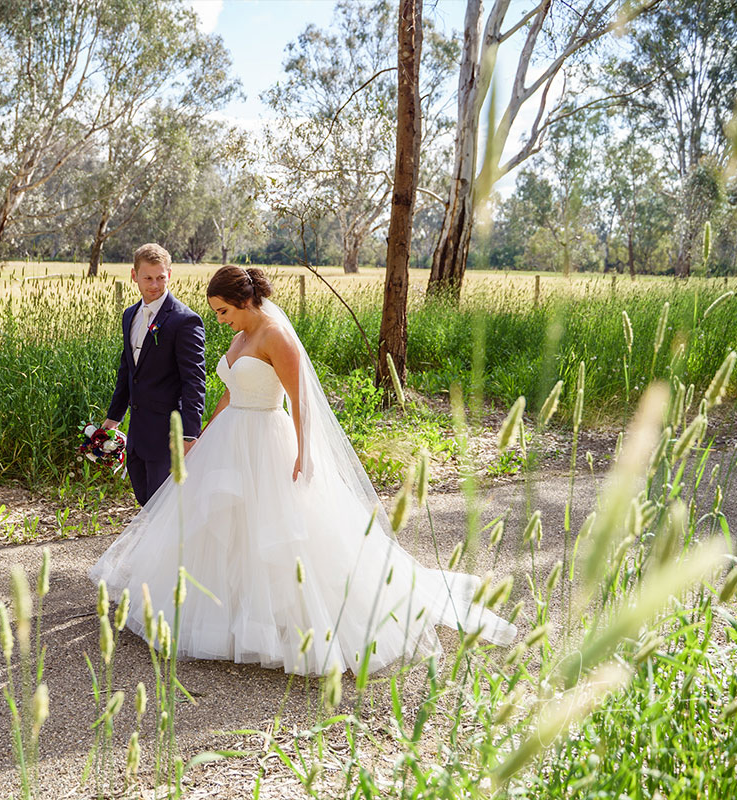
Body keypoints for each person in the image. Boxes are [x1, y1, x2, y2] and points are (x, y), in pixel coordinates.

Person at [90, 265, 516, 676]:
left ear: (245, 301)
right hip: (230, 438)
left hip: (266, 439)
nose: (219, 320)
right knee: (225, 526)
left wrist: (304, 452)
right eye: (216, 312)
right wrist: (201, 436)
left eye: (224, 310)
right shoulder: (241, 336)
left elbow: (301, 400)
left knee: (276, 533)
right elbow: (228, 392)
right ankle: (225, 612)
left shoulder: (276, 337)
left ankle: (279, 624)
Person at [103, 243, 206, 506]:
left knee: (166, 511)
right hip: (137, 434)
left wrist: (188, 435)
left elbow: (194, 382)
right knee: (146, 504)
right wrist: (113, 418)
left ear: (169, 275)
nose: (155, 285)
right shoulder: (129, 316)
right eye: (148, 277)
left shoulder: (185, 321)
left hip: (168, 438)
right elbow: (127, 371)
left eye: (161, 277)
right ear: (133, 275)